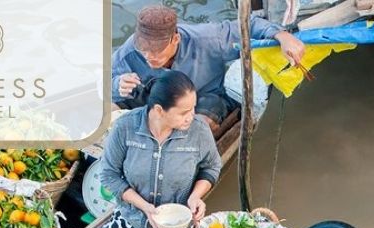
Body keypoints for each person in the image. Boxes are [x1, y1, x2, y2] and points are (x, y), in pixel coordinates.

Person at [65, 71, 220, 228]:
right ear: (159, 110)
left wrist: (195, 196)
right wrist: (145, 207)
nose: (192, 116)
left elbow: (211, 166)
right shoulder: (126, 128)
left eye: (193, 108)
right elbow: (109, 174)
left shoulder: (198, 131)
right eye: (183, 112)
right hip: (131, 222)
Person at [112, 5, 306, 136]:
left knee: (199, 127)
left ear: (176, 39)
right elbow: (105, 80)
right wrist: (116, 84)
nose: (149, 56)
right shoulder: (129, 51)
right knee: (110, 107)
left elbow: (251, 25)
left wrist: (282, 36)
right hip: (156, 97)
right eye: (144, 50)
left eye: (157, 51)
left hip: (203, 96)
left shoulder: (208, 39)